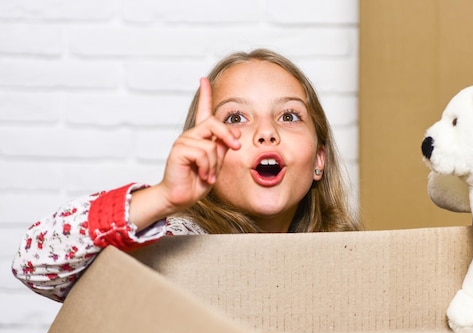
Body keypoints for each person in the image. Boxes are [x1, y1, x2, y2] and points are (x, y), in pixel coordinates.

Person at [12, 48, 361, 302]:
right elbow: (34, 264)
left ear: (319, 160)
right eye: (236, 118)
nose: (266, 132)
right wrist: (162, 197)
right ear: (206, 150)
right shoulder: (171, 245)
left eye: (288, 116)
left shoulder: (351, 261)